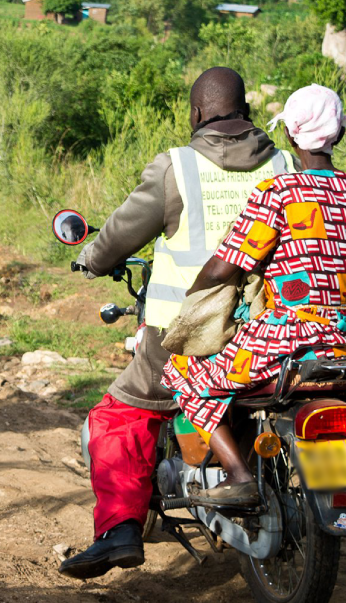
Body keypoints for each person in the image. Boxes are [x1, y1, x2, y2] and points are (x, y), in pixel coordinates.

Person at [59, 67, 296, 580]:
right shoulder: (286, 163)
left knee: (118, 417)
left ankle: (121, 529)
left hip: (185, 337)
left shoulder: (178, 168)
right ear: (248, 113)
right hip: (272, 333)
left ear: (195, 115)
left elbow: (123, 231)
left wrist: (93, 258)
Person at [161, 84, 346, 505]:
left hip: (284, 342)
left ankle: (238, 474)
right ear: (340, 135)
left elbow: (227, 265)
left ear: (290, 137)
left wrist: (195, 293)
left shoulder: (278, 194)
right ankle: (341, 484)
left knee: (183, 373)